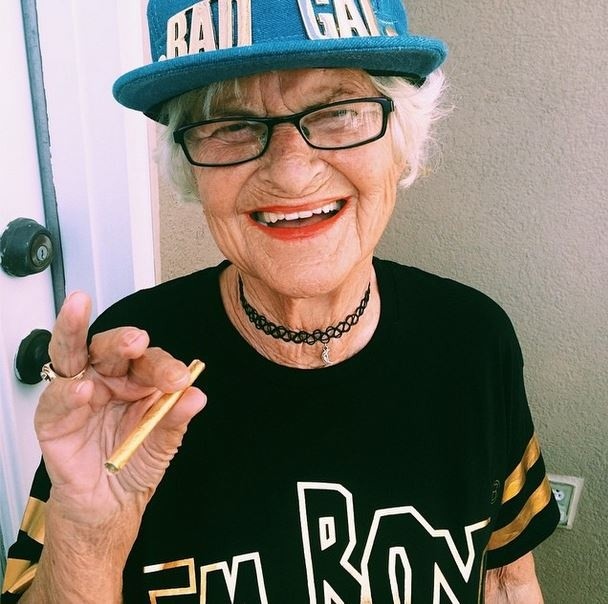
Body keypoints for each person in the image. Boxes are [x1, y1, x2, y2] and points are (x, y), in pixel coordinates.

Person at [2, 0, 559, 602]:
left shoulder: (472, 339)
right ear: (192, 170)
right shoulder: (134, 373)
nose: (292, 174)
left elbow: (506, 578)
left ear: (402, 142)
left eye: (338, 112)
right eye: (230, 124)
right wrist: (88, 537)